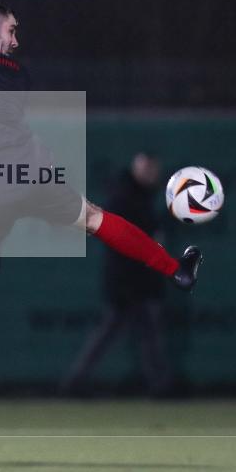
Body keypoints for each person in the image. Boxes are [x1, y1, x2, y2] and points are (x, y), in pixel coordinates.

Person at [0, 0, 202, 457]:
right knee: (95, 219)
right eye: (11, 30)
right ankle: (174, 270)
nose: (16, 40)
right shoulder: (19, 76)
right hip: (25, 174)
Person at [60, 153, 173, 397]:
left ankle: (161, 386)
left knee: (148, 337)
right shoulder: (124, 198)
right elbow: (120, 245)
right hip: (127, 284)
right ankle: (74, 383)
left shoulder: (149, 198)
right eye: (147, 168)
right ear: (137, 167)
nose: (152, 173)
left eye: (154, 169)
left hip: (145, 283)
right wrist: (125, 284)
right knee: (112, 335)